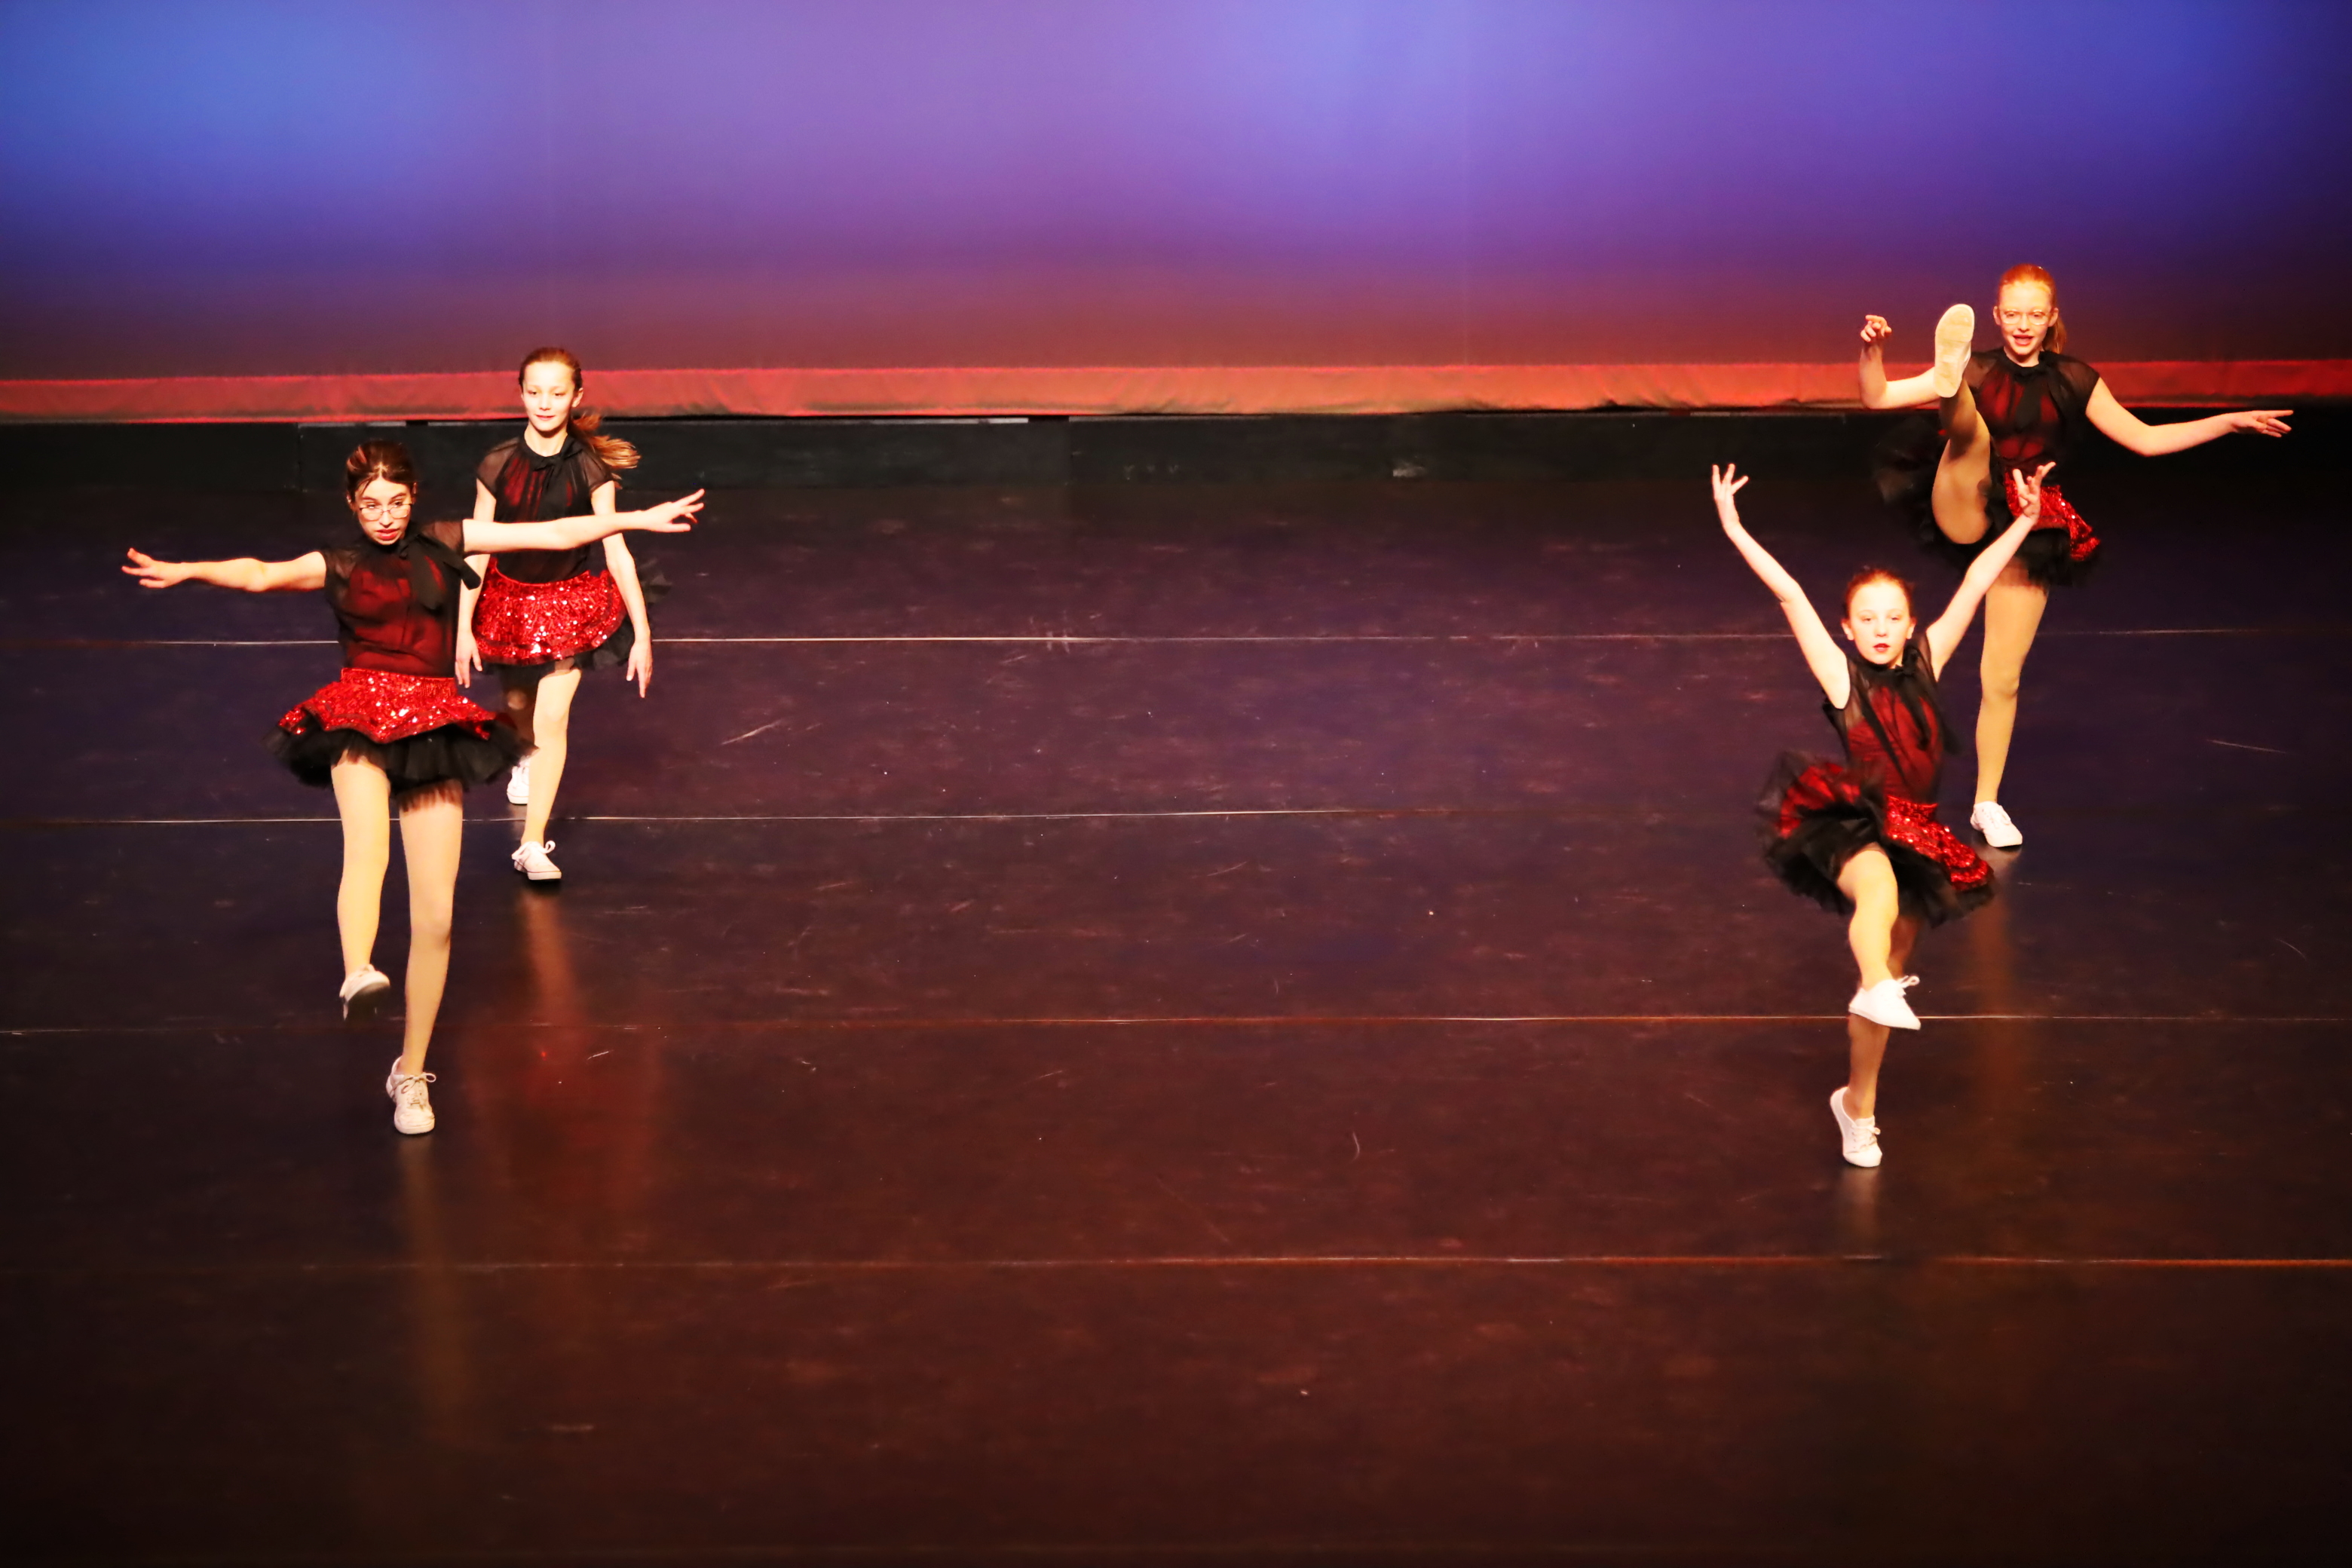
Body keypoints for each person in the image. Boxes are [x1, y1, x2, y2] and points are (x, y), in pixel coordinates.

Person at [124, 439, 700, 1134]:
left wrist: (635, 520)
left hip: (434, 726)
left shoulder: (448, 540)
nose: (386, 516)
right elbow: (261, 575)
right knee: (368, 851)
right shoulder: (338, 564)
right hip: (359, 717)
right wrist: (190, 570)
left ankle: (411, 1072)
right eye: (371, 505)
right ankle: (358, 970)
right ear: (352, 504)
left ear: (414, 498)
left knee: (437, 917)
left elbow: (553, 533)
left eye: (396, 502)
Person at [1857, 266, 2290, 847]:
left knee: (2001, 676)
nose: (2023, 325)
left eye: (2035, 315)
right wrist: (1873, 352)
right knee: (1972, 435)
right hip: (1963, 498)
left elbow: (2145, 439)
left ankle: (1987, 804)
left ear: (2053, 318)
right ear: (1996, 316)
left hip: (2029, 517)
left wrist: (2227, 421)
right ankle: (1949, 385)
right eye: (2013, 314)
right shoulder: (1984, 366)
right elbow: (1877, 396)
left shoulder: (2075, 380)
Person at [1713, 459, 2044, 1168]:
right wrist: (1736, 529)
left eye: (1894, 617)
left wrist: (2023, 522)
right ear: (1848, 627)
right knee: (1879, 894)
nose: (1882, 629)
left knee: (1883, 984)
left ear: (1911, 624)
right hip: (1857, 822)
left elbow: (1976, 582)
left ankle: (1856, 1104)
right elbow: (1790, 594)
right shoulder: (1841, 676)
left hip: (1920, 832)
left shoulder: (1929, 658)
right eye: (1867, 619)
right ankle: (1880, 985)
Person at [457, 348, 659, 883]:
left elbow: (616, 549)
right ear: (521, 394)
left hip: (569, 604)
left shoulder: (591, 468)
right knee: (519, 705)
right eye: (534, 392)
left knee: (552, 718)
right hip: (507, 600)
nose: (545, 403)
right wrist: (461, 628)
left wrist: (642, 634)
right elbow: (476, 549)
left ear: (576, 397)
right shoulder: (497, 465)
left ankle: (531, 845)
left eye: (557, 392)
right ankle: (525, 754)